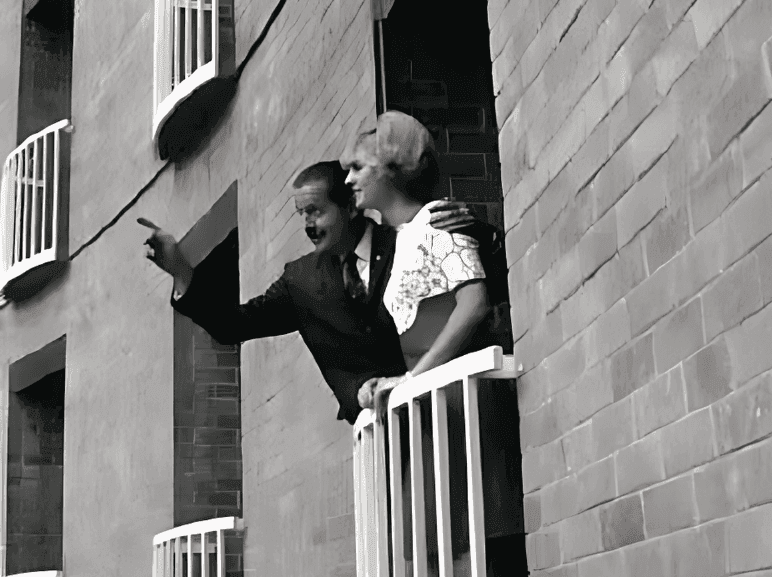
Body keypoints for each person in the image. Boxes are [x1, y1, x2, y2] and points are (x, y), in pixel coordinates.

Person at [138, 160, 484, 425]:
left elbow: (473, 284)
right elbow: (233, 326)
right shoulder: (300, 280)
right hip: (383, 439)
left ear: (350, 206)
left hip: (455, 409)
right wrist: (181, 271)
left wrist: (475, 228)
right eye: (301, 214)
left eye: (316, 211)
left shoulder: (408, 239)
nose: (308, 224)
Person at [341, 112, 525, 577]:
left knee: (475, 540)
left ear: (392, 167)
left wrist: (413, 378)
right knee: (435, 545)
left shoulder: (438, 221)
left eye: (358, 168)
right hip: (431, 410)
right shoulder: (397, 241)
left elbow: (474, 303)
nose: (349, 179)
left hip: (461, 401)